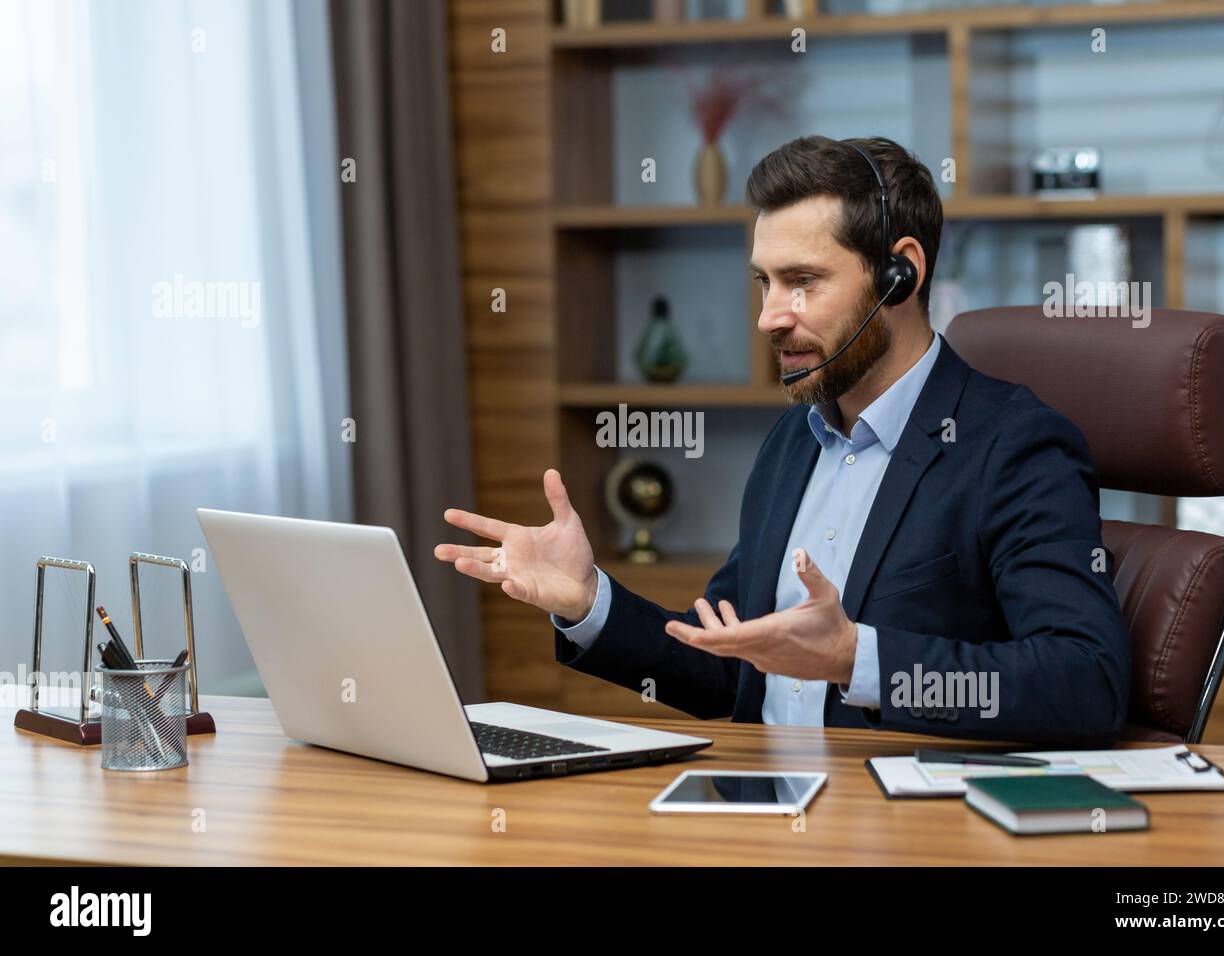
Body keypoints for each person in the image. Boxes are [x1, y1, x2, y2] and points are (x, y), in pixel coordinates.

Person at [436, 135, 1131, 745]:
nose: (770, 316)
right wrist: (587, 601)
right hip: (764, 817)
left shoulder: (1014, 445)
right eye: (765, 283)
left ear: (901, 274)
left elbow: (1085, 681)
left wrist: (857, 658)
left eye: (801, 282)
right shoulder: (794, 442)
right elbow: (728, 663)